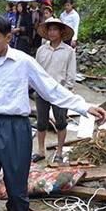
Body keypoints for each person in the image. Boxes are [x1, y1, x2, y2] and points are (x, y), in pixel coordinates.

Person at [0, 15, 106, 211]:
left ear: (9, 37)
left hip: (16, 127)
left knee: (16, 179)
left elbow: (51, 89)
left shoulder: (23, 61)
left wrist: (84, 107)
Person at [32, 19, 76, 164]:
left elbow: (71, 73)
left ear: (61, 32)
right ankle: (41, 151)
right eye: (50, 30)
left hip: (60, 92)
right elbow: (36, 71)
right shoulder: (41, 50)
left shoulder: (68, 51)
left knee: (61, 122)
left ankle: (59, 151)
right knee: (41, 123)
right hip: (42, 91)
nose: (52, 32)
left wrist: (67, 90)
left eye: (54, 30)